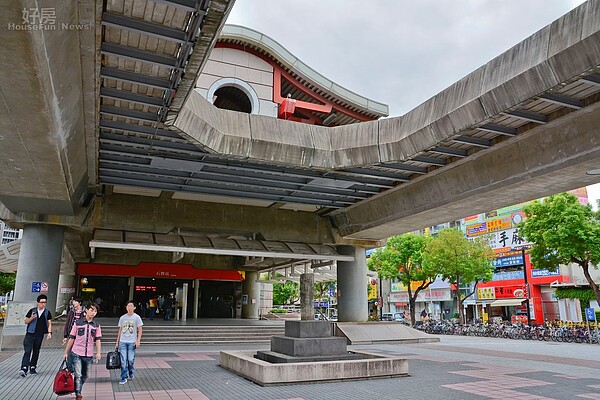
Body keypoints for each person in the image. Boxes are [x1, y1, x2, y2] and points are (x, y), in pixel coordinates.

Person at [63, 302, 102, 400]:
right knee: (78, 374)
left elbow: (97, 340)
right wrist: (66, 352)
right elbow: (71, 338)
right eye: (91, 310)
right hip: (76, 352)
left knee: (86, 375)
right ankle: (78, 394)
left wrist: (98, 352)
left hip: (88, 354)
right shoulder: (78, 323)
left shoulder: (96, 325)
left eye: (95, 311)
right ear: (86, 310)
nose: (93, 313)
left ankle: (77, 387)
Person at [20, 294, 52, 376]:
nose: (43, 304)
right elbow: (26, 321)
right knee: (27, 351)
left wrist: (49, 332)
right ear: (38, 302)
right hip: (30, 334)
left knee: (36, 351)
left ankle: (33, 366)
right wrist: (31, 318)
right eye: (42, 302)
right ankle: (24, 368)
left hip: (40, 334)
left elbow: (49, 323)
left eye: (45, 302)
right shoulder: (32, 310)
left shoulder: (47, 312)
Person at [115, 300, 143, 384]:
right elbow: (120, 330)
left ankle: (131, 370)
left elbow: (140, 330)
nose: (129, 308)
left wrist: (138, 341)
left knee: (130, 360)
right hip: (123, 342)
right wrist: (117, 342)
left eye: (131, 306)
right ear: (126, 308)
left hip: (132, 342)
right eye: (128, 306)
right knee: (123, 360)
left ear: (134, 307)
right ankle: (124, 377)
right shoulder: (122, 318)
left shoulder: (137, 317)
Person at [63, 296, 84, 371]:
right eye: (73, 301)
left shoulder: (84, 312)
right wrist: (65, 335)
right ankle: (70, 367)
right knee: (70, 350)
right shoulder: (71, 312)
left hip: (81, 335)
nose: (74, 303)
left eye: (75, 301)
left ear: (79, 303)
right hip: (71, 334)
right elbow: (67, 323)